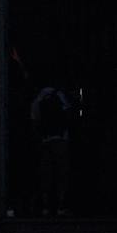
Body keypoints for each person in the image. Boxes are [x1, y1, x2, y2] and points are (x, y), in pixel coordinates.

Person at [29, 82, 73, 216]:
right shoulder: (59, 95)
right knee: (61, 173)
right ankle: (60, 205)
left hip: (45, 139)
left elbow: (34, 119)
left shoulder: (39, 97)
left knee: (45, 173)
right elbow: (68, 115)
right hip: (60, 138)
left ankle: (45, 205)